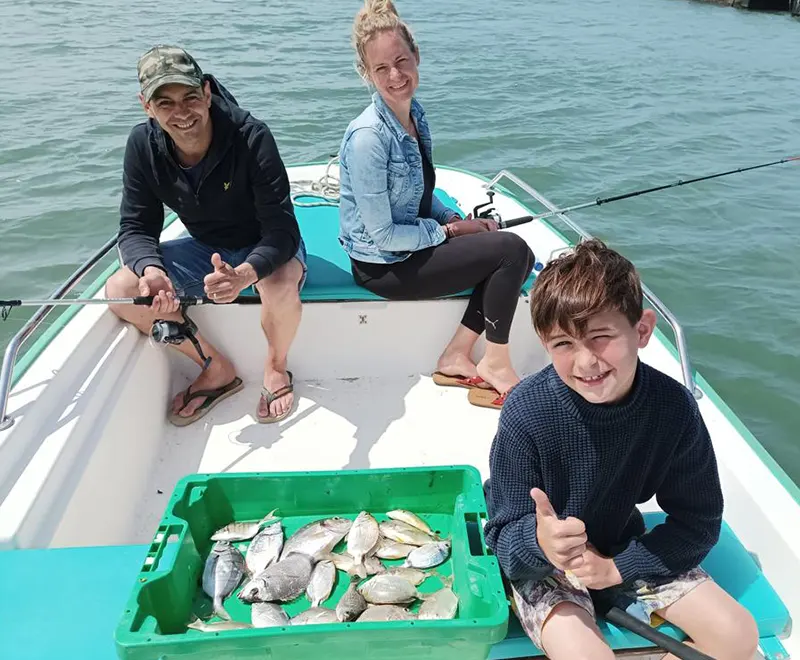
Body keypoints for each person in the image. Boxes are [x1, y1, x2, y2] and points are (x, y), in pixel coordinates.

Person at [483, 239, 758, 659]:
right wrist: (542, 542)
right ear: (543, 343)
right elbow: (504, 540)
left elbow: (699, 521)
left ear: (642, 330)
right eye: (563, 345)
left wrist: (615, 569)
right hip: (544, 565)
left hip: (621, 546)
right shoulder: (525, 411)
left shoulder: (673, 408)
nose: (585, 363)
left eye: (600, 337)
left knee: (738, 635)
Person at [337, 0, 534, 409]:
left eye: (401, 60)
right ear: (366, 75)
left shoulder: (415, 116)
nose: (396, 75)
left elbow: (421, 194)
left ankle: (455, 355)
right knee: (513, 251)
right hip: (382, 265)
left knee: (503, 250)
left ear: (416, 57)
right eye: (381, 69)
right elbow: (385, 236)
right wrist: (450, 232)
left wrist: (450, 216)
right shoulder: (369, 138)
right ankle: (495, 362)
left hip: (409, 246)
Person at [106, 45, 307, 425]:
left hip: (265, 245)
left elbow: (282, 231)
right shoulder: (141, 146)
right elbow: (135, 227)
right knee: (121, 289)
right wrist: (151, 271)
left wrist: (246, 273)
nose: (181, 113)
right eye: (165, 103)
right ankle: (214, 366)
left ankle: (276, 366)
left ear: (208, 92)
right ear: (146, 106)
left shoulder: (252, 137)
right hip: (204, 248)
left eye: (190, 97)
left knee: (277, 285)